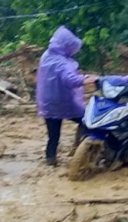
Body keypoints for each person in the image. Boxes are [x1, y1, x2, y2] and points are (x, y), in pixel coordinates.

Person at [35, 25, 94, 167]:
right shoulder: (62, 62)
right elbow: (70, 80)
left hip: (47, 102)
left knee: (53, 136)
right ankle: (79, 148)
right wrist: (87, 79)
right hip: (63, 101)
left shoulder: (47, 56)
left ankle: (50, 160)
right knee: (88, 121)